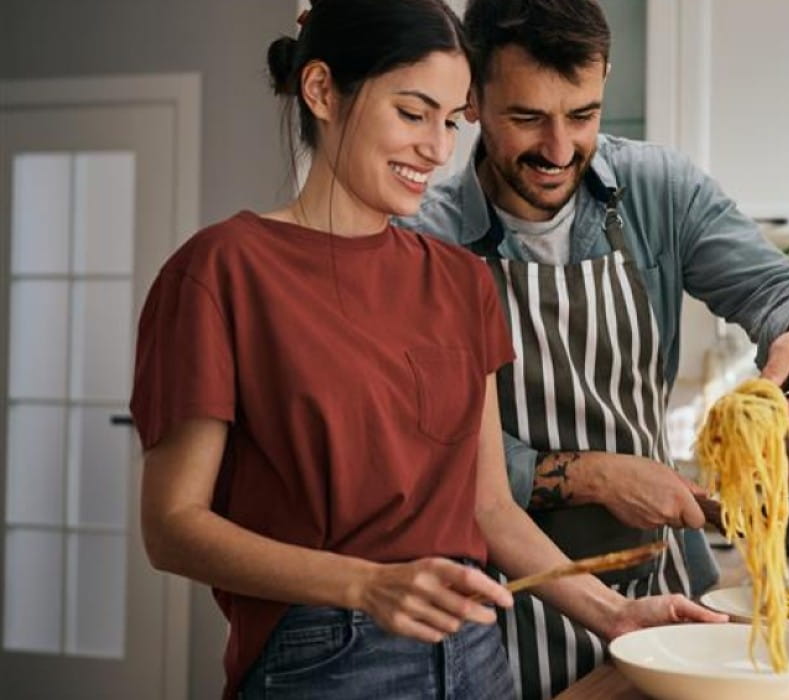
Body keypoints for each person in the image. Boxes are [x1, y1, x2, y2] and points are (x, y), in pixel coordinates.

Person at [130, 1, 723, 698]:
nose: (438, 150)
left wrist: (616, 615)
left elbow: (489, 509)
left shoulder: (459, 280)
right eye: (413, 114)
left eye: (450, 120)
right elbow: (172, 528)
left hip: (476, 658)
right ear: (321, 91)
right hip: (326, 661)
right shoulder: (224, 270)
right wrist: (367, 583)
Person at [403, 0, 789, 696]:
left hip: (665, 595)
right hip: (509, 606)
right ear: (472, 96)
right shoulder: (423, 244)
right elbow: (431, 454)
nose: (559, 150)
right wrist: (593, 475)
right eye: (527, 118)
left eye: (583, 115)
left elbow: (778, 287)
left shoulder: (657, 190)